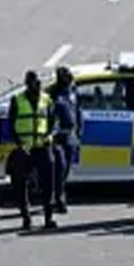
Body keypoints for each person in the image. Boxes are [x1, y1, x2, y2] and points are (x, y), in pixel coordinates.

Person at [8, 69, 57, 231]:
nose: (36, 86)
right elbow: (11, 124)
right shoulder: (17, 100)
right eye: (32, 83)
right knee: (20, 184)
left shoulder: (46, 99)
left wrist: (50, 135)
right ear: (27, 84)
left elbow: (53, 121)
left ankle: (48, 218)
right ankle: (26, 218)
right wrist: (19, 144)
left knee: (48, 184)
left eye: (37, 83)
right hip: (25, 148)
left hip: (43, 147)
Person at [47, 66, 80, 216]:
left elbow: (77, 109)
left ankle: (58, 196)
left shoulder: (72, 90)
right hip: (57, 137)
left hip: (71, 136)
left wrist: (79, 130)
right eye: (67, 76)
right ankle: (59, 200)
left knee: (65, 170)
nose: (70, 78)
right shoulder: (52, 93)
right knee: (60, 168)